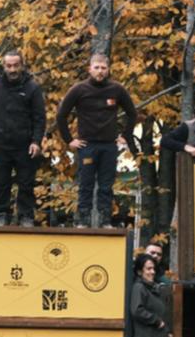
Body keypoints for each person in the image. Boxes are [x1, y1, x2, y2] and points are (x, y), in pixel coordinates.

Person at [54, 53, 137, 227]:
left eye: (103, 68)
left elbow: (132, 114)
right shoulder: (79, 89)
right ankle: (82, 221)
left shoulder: (117, 89)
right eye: (96, 67)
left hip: (109, 145)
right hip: (87, 145)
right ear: (89, 69)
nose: (100, 71)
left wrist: (125, 136)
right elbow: (61, 115)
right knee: (86, 184)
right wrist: (69, 140)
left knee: (106, 186)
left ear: (108, 70)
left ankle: (105, 220)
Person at [0, 50, 46, 227]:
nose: (12, 69)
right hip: (0, 142)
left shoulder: (33, 88)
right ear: (4, 66)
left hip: (25, 143)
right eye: (9, 66)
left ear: (22, 65)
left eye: (16, 65)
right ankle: (1, 214)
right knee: (0, 182)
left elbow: (40, 118)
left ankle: (26, 216)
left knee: (26, 183)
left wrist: (36, 141)